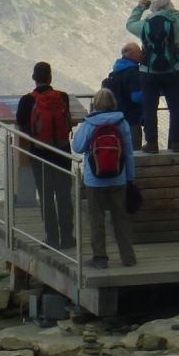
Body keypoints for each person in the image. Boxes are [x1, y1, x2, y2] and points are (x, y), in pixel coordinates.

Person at [71, 87, 138, 269]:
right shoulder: (122, 122)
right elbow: (129, 153)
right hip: (119, 178)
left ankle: (100, 258)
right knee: (120, 219)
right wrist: (130, 178)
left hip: (95, 180)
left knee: (96, 219)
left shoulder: (89, 123)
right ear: (113, 103)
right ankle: (128, 258)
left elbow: (77, 147)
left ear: (96, 104)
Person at [14, 61, 75, 250]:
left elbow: (21, 123)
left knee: (46, 197)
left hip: (40, 155)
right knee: (64, 195)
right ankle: (67, 237)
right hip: (63, 153)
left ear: (34, 78)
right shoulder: (62, 96)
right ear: (50, 77)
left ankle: (52, 238)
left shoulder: (27, 100)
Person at [126, 0, 179, 152]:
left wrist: (141, 7)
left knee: (149, 109)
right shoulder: (175, 23)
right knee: (176, 108)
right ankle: (176, 143)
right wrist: (171, 9)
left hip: (149, 72)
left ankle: (152, 144)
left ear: (153, 6)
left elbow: (130, 24)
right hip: (174, 70)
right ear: (168, 5)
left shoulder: (144, 26)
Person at [102, 42, 144, 150]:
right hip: (132, 120)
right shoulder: (134, 72)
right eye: (139, 52)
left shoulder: (115, 72)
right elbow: (137, 97)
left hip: (116, 119)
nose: (141, 54)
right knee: (134, 152)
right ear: (131, 55)